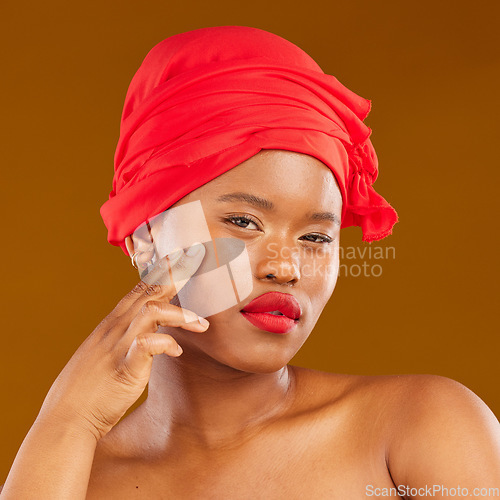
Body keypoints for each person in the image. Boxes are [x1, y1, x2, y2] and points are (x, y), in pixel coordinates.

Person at [2, 26, 499, 499]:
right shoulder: (71, 478)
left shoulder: (422, 428)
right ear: (145, 237)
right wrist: (67, 420)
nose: (287, 268)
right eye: (243, 222)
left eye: (315, 236)